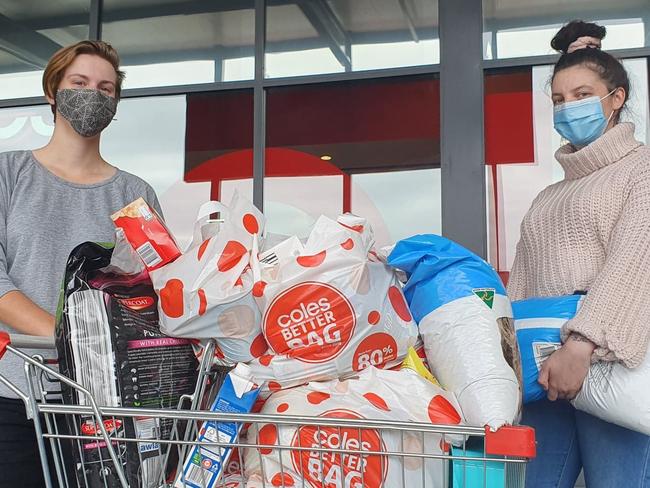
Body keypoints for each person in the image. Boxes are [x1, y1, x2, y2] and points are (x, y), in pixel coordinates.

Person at [0, 41, 161, 487]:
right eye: (80, 83)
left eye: (106, 88)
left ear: (115, 105)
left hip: (105, 406)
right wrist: (70, 342)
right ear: (53, 91)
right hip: (14, 393)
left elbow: (153, 293)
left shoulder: (135, 194)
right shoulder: (9, 175)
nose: (93, 94)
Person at [508, 20, 650, 488]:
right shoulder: (547, 196)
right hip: (544, 376)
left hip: (611, 366)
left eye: (582, 94)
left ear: (617, 98)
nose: (569, 108)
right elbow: (523, 288)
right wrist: (509, 357)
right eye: (558, 100)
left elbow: (635, 262)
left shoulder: (641, 170)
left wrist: (581, 344)